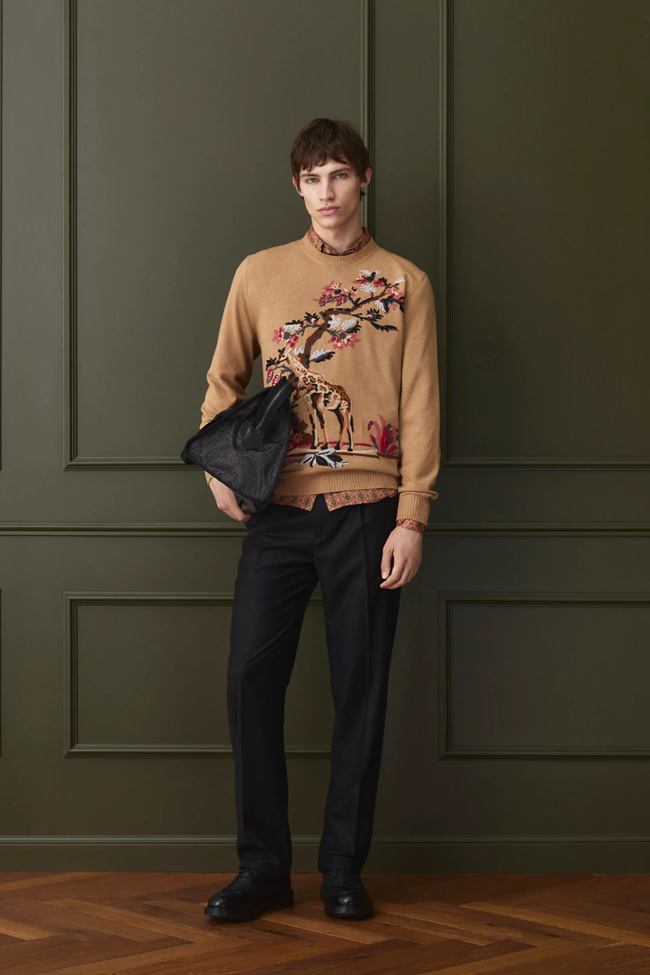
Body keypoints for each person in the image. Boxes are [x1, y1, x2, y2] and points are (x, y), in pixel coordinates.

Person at [199, 117, 440, 922]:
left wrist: (413, 515)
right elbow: (223, 379)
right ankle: (264, 868)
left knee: (359, 691)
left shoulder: (404, 282)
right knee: (249, 680)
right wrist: (221, 467)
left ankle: (342, 867)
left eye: (340, 174)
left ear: (364, 179)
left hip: (370, 514)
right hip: (278, 512)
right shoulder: (259, 273)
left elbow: (420, 402)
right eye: (313, 178)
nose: (326, 191)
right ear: (296, 187)